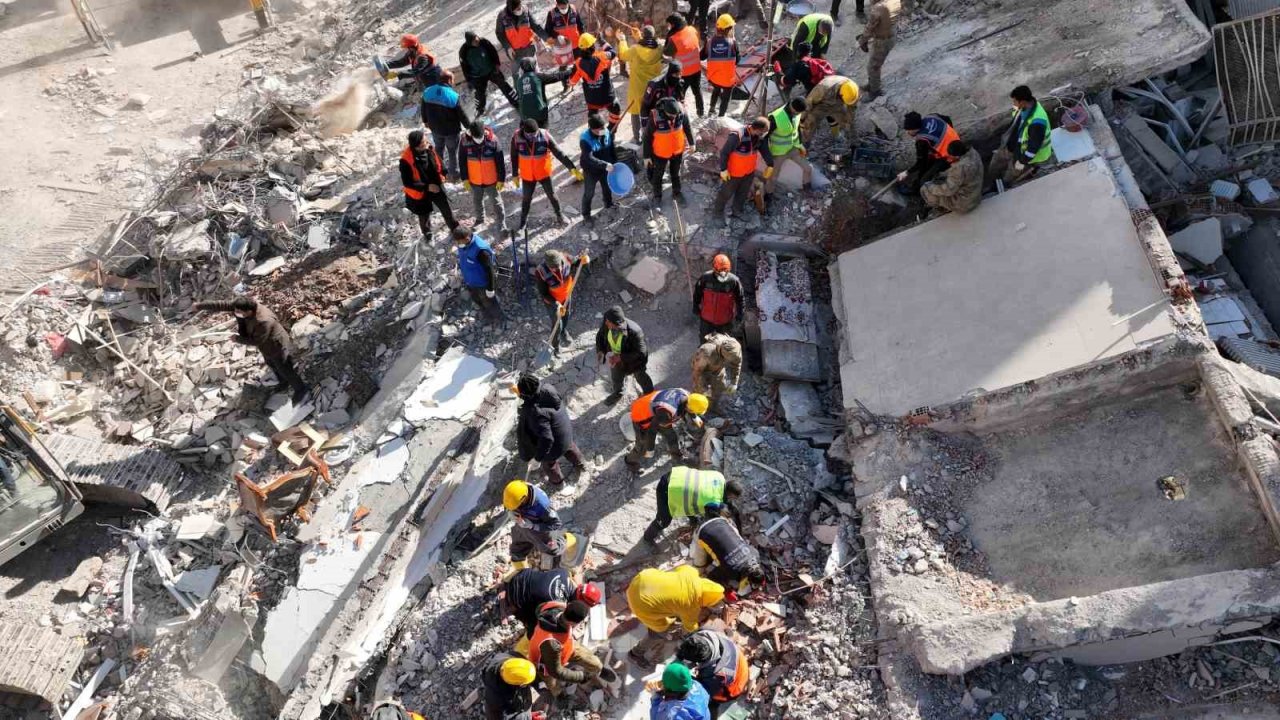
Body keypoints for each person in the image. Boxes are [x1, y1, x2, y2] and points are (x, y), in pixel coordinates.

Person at [192, 297, 308, 403]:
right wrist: (199, 305)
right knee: (271, 364)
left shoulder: (264, 320)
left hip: (276, 345)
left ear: (249, 312)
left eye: (239, 312)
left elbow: (257, 341)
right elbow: (220, 304)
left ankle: (300, 389)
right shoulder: (242, 306)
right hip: (265, 346)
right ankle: (283, 382)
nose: (236, 313)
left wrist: (237, 339)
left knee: (285, 368)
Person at [515, 373, 586, 488]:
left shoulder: (535, 412)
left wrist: (537, 459)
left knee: (549, 465)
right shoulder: (548, 388)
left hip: (556, 444)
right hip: (566, 433)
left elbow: (547, 439)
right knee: (570, 448)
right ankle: (581, 464)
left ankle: (558, 483)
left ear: (525, 394)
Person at [641, 465, 744, 545]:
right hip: (667, 489)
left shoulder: (719, 477)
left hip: (675, 476)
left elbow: (696, 496)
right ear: (730, 494)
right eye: (732, 498)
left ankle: (692, 519)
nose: (731, 500)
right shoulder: (713, 500)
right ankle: (647, 537)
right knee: (664, 520)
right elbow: (710, 520)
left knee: (691, 499)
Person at [528, 600, 614, 693]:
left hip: (566, 646)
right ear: (573, 623)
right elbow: (556, 672)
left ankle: (599, 669)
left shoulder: (556, 606)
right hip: (544, 662)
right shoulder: (551, 643)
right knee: (552, 683)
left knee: (590, 659)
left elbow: (539, 609)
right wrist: (581, 677)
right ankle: (560, 696)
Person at [510, 118, 582, 229]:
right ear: (524, 131)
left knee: (552, 196)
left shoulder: (545, 136)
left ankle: (560, 215)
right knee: (526, 199)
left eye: (535, 134)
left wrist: (571, 167)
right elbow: (514, 156)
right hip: (528, 175)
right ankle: (523, 222)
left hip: (543, 173)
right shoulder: (516, 138)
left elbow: (559, 153)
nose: (533, 136)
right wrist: (515, 174)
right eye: (530, 135)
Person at [501, 568, 602, 637]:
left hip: (520, 576)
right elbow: (547, 623)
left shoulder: (564, 573)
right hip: (514, 597)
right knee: (536, 625)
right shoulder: (557, 604)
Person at [626, 565, 724, 634]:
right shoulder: (691, 606)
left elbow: (682, 567)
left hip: (641, 579)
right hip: (640, 604)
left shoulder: (691, 573)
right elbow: (690, 626)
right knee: (660, 627)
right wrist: (700, 627)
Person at [987, 84, 1052, 187]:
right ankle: (990, 182)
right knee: (995, 163)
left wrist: (1021, 162)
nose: (1013, 104)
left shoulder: (1037, 122)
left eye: (1015, 101)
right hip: (1013, 146)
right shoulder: (1025, 107)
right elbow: (1016, 116)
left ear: (1022, 102)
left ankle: (1002, 186)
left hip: (1024, 156)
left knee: (1011, 173)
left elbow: (1032, 149)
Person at [710, 117, 773, 224]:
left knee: (742, 194)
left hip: (748, 173)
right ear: (758, 129)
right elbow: (724, 152)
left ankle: (737, 211)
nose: (764, 135)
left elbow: (764, 150)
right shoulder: (738, 135)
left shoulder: (759, 138)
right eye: (763, 132)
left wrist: (770, 164)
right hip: (733, 173)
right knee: (725, 194)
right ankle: (717, 214)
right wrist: (723, 169)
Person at [625, 388, 709, 468]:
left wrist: (695, 417)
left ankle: (677, 457)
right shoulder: (667, 412)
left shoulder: (685, 394)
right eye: (695, 412)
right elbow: (651, 430)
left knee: (671, 436)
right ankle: (630, 462)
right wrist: (650, 449)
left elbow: (688, 407)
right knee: (642, 447)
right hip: (641, 415)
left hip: (655, 410)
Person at [399, 130, 457, 241]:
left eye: (425, 141)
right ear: (417, 146)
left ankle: (455, 229)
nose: (427, 143)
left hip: (436, 185)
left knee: (446, 209)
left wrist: (445, 173)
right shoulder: (405, 160)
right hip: (421, 191)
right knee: (424, 216)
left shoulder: (429, 148)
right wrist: (427, 187)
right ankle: (428, 235)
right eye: (423, 142)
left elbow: (439, 161)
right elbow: (407, 182)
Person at [533, 249, 590, 353]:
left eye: (558, 265)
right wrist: (556, 304)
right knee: (557, 324)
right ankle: (556, 347)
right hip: (552, 301)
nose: (557, 269)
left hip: (566, 296)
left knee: (566, 315)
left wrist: (584, 261)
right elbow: (544, 294)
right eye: (553, 267)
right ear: (547, 264)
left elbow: (577, 263)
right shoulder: (540, 272)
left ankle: (564, 332)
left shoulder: (566, 258)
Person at [677, 631, 750, 711]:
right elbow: (689, 645)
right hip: (737, 661)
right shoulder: (707, 635)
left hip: (735, 686)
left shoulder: (717, 675)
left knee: (708, 698)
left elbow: (703, 691)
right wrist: (681, 655)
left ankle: (714, 705)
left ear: (698, 662)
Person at [596, 306, 654, 405]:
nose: (606, 323)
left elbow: (641, 352)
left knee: (640, 376)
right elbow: (600, 335)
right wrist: (600, 350)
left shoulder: (635, 331)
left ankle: (650, 394)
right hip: (616, 358)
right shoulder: (607, 324)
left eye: (608, 322)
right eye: (606, 320)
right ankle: (618, 393)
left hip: (635, 361)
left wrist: (620, 357)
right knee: (616, 377)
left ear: (616, 324)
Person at [615, 26, 665, 142]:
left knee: (636, 112)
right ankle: (653, 136)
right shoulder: (659, 49)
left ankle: (637, 138)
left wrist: (622, 40)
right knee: (652, 112)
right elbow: (648, 48)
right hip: (653, 88)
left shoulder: (635, 50)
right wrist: (639, 37)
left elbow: (623, 55)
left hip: (637, 88)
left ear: (644, 34)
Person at [420, 71, 472, 181]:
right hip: (451, 131)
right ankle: (453, 174)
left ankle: (439, 173)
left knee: (438, 149)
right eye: (452, 80)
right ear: (449, 80)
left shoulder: (428, 91)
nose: (453, 82)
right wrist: (470, 128)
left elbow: (423, 108)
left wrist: (425, 121)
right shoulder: (453, 96)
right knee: (452, 152)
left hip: (435, 128)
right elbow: (462, 115)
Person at [690, 515, 764, 590]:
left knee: (738, 539)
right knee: (699, 566)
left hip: (722, 521)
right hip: (703, 532)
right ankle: (694, 580)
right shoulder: (732, 572)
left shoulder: (756, 554)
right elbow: (714, 574)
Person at [503, 479, 566, 569]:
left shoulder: (542, 506)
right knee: (517, 550)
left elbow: (556, 524)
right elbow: (509, 504)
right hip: (522, 525)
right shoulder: (518, 491)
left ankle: (567, 539)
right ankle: (521, 573)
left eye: (517, 506)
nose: (516, 508)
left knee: (553, 550)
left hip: (540, 531)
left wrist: (533, 526)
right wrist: (511, 512)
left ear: (524, 499)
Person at [895, 111, 961, 194]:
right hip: (957, 141)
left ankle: (916, 190)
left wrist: (906, 172)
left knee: (924, 179)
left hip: (950, 156)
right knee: (928, 158)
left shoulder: (922, 140)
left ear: (915, 129)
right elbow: (947, 119)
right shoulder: (932, 116)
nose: (907, 133)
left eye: (908, 130)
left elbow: (921, 163)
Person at [460, 120, 508, 232]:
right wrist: (465, 178)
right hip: (474, 180)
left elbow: (500, 162)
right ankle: (480, 219)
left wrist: (501, 179)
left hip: (491, 179)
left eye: (480, 137)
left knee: (496, 202)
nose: (478, 140)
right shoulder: (464, 141)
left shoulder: (493, 141)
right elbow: (462, 161)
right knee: (477, 201)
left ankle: (501, 222)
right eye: (476, 137)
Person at [644, 97, 694, 205]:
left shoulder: (681, 111)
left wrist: (692, 143)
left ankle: (677, 193)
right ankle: (657, 196)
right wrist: (646, 156)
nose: (674, 117)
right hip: (660, 153)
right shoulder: (655, 116)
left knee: (676, 173)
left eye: (676, 115)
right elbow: (647, 137)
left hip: (677, 151)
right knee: (658, 175)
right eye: (671, 115)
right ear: (664, 111)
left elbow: (687, 126)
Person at [460, 31, 518, 114]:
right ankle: (480, 110)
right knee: (480, 94)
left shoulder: (484, 42)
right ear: (469, 43)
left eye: (477, 39)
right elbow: (464, 67)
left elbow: (493, 52)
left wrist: (497, 64)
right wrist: (469, 80)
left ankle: (516, 101)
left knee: (504, 85)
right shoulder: (464, 51)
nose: (477, 42)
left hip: (491, 70)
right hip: (477, 76)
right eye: (474, 41)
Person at [921, 139, 984, 215]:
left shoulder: (959, 168)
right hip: (975, 195)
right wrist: (944, 174)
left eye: (950, 156)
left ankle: (942, 209)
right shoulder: (973, 153)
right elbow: (963, 174)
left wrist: (930, 187)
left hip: (965, 204)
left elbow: (948, 190)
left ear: (957, 156)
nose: (949, 158)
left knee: (925, 190)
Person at [765, 96, 813, 197]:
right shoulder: (776, 117)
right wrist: (768, 158)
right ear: (794, 109)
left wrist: (800, 145)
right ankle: (768, 197)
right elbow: (764, 137)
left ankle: (807, 191)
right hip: (779, 153)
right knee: (773, 177)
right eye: (798, 113)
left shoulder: (797, 114)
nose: (799, 115)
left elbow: (797, 129)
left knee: (808, 169)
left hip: (793, 149)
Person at [452, 227, 502, 322]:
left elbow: (490, 270)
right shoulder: (463, 244)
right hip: (470, 282)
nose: (458, 244)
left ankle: (499, 318)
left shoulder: (480, 251)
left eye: (459, 241)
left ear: (467, 238)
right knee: (477, 299)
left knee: (489, 302)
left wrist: (490, 289)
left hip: (482, 284)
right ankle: (486, 314)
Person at [577, 113, 618, 227]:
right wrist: (605, 165)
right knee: (589, 193)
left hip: (605, 167)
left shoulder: (606, 132)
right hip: (591, 170)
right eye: (599, 129)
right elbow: (589, 158)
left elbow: (611, 147)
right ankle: (586, 215)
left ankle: (608, 204)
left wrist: (615, 162)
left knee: (607, 187)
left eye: (603, 127)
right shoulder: (585, 139)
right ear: (592, 129)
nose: (602, 130)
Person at [799, 75, 859, 150]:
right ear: (841, 94)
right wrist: (802, 117)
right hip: (821, 105)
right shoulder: (823, 88)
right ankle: (805, 144)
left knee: (848, 123)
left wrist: (849, 121)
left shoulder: (853, 91)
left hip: (837, 105)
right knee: (809, 122)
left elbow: (851, 108)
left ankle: (854, 144)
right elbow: (809, 102)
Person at [693, 255, 745, 339]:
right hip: (707, 320)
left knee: (724, 344)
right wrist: (695, 306)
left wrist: (740, 315)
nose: (722, 274)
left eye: (725, 271)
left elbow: (740, 299)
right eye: (719, 271)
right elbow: (697, 293)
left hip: (725, 322)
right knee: (704, 342)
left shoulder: (734, 281)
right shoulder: (705, 278)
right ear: (714, 269)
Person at [664, 13, 704, 117]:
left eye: (669, 25)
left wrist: (668, 37)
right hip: (696, 68)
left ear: (673, 25)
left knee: (680, 94)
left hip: (684, 73)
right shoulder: (692, 29)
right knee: (697, 91)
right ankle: (701, 111)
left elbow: (666, 52)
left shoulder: (674, 39)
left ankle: (679, 114)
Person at [568, 33, 617, 118]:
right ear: (593, 46)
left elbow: (572, 81)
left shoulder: (578, 63)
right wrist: (602, 41)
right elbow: (613, 52)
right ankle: (612, 125)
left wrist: (570, 78)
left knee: (593, 116)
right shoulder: (603, 56)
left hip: (592, 100)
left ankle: (594, 124)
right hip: (607, 97)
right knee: (616, 111)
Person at [515, 57, 572, 128]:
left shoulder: (519, 81)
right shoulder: (538, 76)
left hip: (525, 117)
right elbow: (557, 76)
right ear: (533, 66)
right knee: (543, 131)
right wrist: (571, 71)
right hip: (540, 114)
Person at [481, 654, 542, 720]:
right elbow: (503, 717)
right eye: (525, 684)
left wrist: (541, 686)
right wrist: (528, 717)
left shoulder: (512, 659)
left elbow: (529, 672)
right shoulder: (496, 698)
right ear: (515, 684)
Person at [691, 333, 742, 406]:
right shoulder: (706, 352)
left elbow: (737, 364)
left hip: (718, 367)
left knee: (720, 386)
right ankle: (695, 405)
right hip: (703, 369)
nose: (730, 361)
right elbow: (697, 372)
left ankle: (713, 403)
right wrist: (703, 388)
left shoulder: (736, 348)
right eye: (728, 359)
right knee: (700, 390)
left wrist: (734, 382)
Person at [857, 0, 894, 101]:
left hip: (882, 42)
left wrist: (862, 40)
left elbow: (869, 28)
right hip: (890, 37)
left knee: (873, 67)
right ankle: (872, 84)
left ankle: (875, 91)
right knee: (875, 64)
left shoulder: (878, 9)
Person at [703, 15, 739, 118]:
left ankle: (711, 109)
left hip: (713, 78)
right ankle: (721, 116)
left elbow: (701, 57)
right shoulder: (733, 43)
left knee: (716, 89)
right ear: (729, 29)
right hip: (727, 80)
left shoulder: (709, 42)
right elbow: (738, 60)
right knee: (726, 97)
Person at [496, 0, 544, 76]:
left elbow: (535, 26)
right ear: (511, 9)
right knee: (517, 76)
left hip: (529, 48)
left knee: (535, 73)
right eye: (517, 8)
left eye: (520, 5)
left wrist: (545, 39)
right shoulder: (502, 16)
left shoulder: (525, 10)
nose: (520, 9)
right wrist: (508, 47)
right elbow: (500, 34)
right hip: (515, 53)